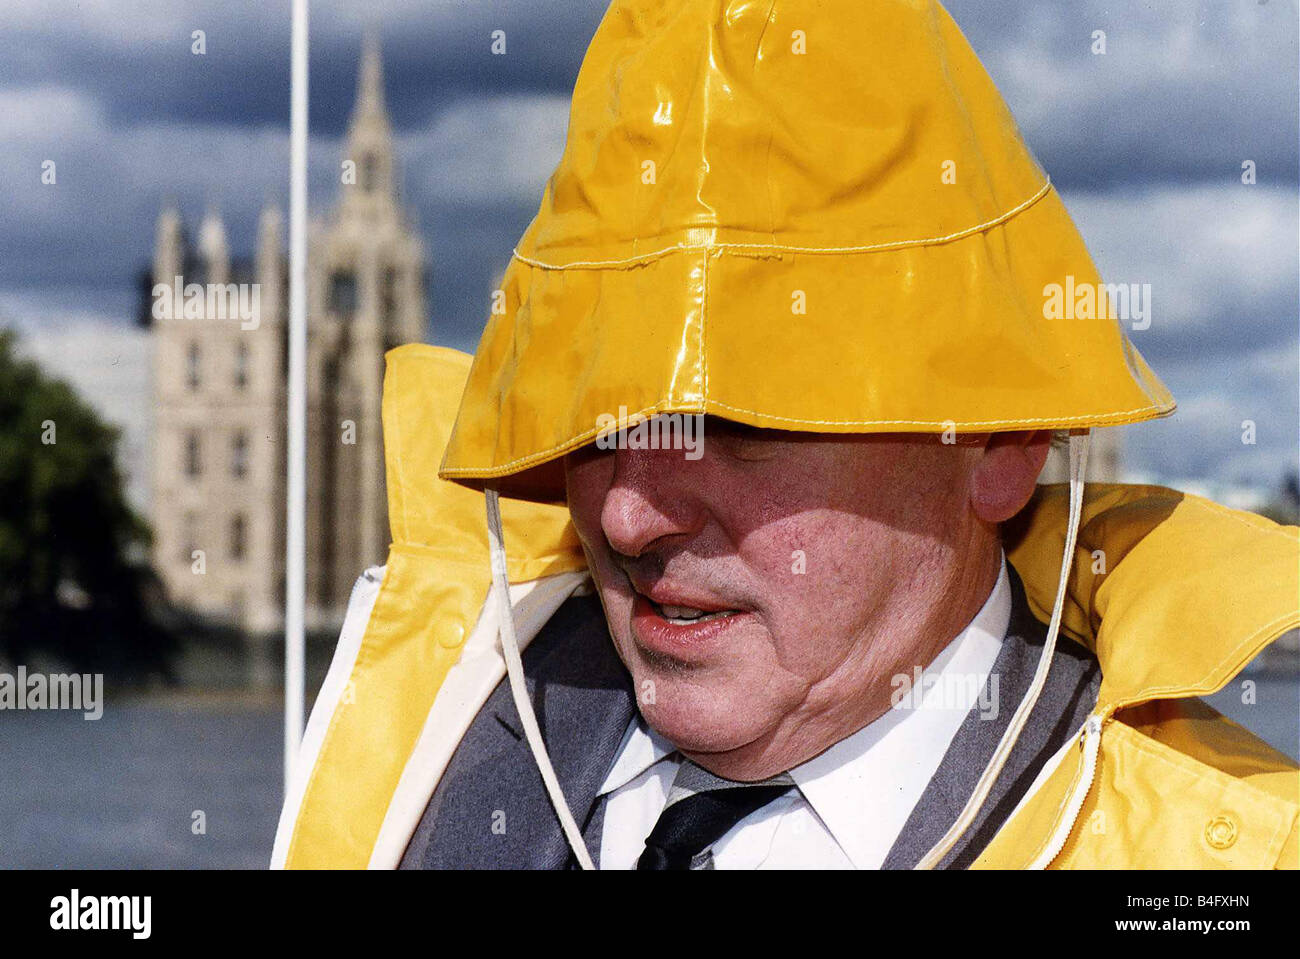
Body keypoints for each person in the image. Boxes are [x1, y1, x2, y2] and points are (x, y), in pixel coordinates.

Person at [272, 0, 1299, 869]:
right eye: (588, 419)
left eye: (738, 424)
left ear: (1000, 443)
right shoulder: (420, 727)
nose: (627, 511)